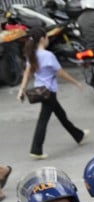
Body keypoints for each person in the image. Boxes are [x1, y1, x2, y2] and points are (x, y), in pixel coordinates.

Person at [16, 29, 87, 160]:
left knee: (61, 115)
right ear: (42, 39)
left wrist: (21, 89)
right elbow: (61, 73)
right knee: (44, 120)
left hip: (41, 90)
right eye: (47, 37)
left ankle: (79, 135)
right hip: (49, 91)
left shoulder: (32, 55)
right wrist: (76, 82)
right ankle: (36, 149)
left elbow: (27, 73)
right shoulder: (48, 55)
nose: (48, 39)